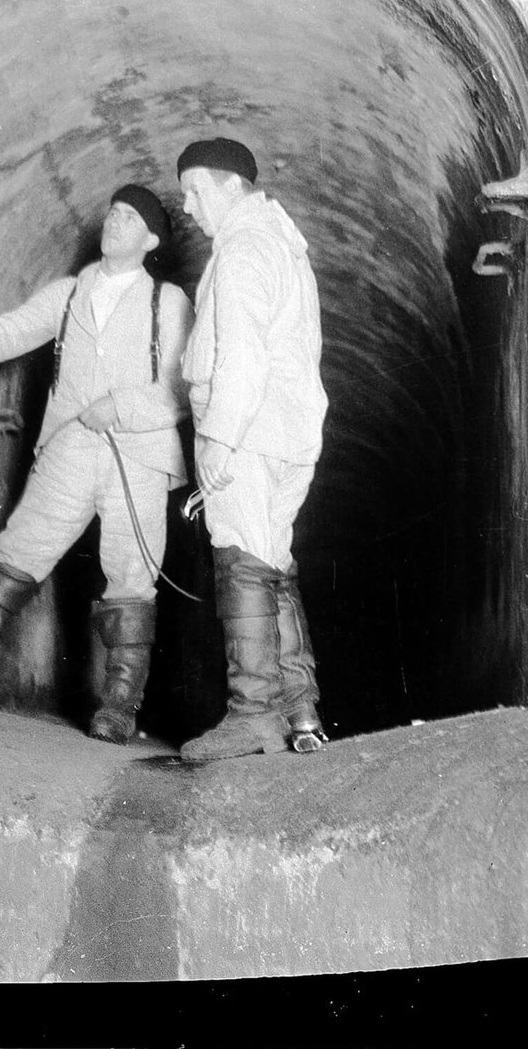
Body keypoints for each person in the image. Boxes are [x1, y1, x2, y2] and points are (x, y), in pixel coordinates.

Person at [0, 185, 194, 745]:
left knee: (131, 576)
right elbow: (13, 329)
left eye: (130, 218)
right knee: (16, 555)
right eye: (113, 211)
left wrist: (120, 406)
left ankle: (120, 707)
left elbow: (180, 392)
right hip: (70, 448)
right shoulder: (71, 292)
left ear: (149, 240)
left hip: (138, 457)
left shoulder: (166, 303)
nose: (115, 220)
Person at [176, 137, 329, 760]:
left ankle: (252, 716)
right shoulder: (281, 244)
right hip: (288, 432)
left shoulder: (242, 250)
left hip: (249, 431)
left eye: (195, 190)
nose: (187, 206)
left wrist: (215, 440)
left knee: (239, 557)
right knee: (272, 563)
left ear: (231, 187)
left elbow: (240, 357)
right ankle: (301, 713)